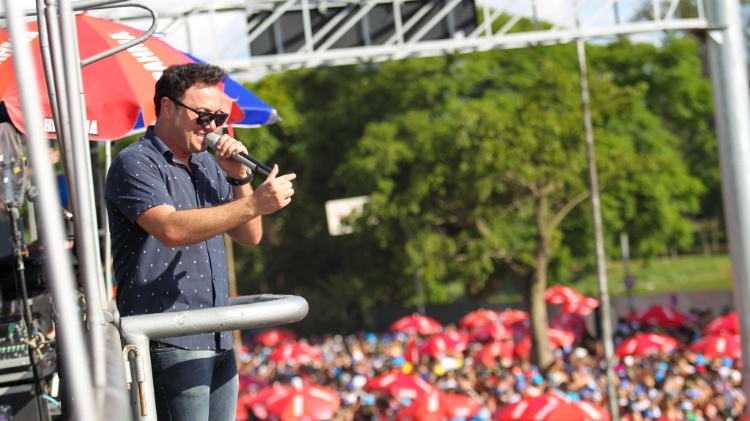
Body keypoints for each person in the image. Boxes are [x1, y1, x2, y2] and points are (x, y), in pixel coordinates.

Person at [104, 62, 296, 420]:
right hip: (169, 336)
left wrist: (240, 179)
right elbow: (171, 229)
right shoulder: (135, 163)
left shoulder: (209, 164)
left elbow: (249, 235)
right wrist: (256, 203)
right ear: (167, 108)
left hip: (217, 333)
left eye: (218, 117)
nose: (212, 127)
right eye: (203, 116)